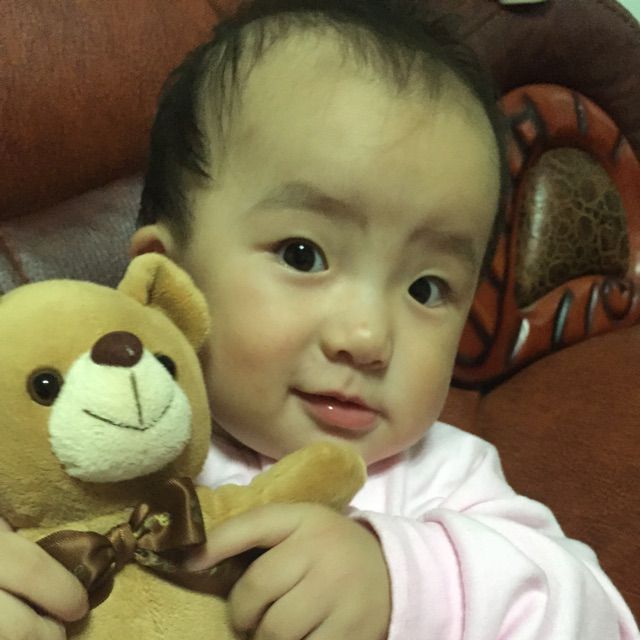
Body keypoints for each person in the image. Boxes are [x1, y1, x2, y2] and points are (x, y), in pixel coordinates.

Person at [0, 1, 638, 638]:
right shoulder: (62, 436)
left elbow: (598, 620)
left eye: (426, 288)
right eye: (303, 255)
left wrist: (409, 584)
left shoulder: (445, 479)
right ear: (170, 288)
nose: (367, 338)